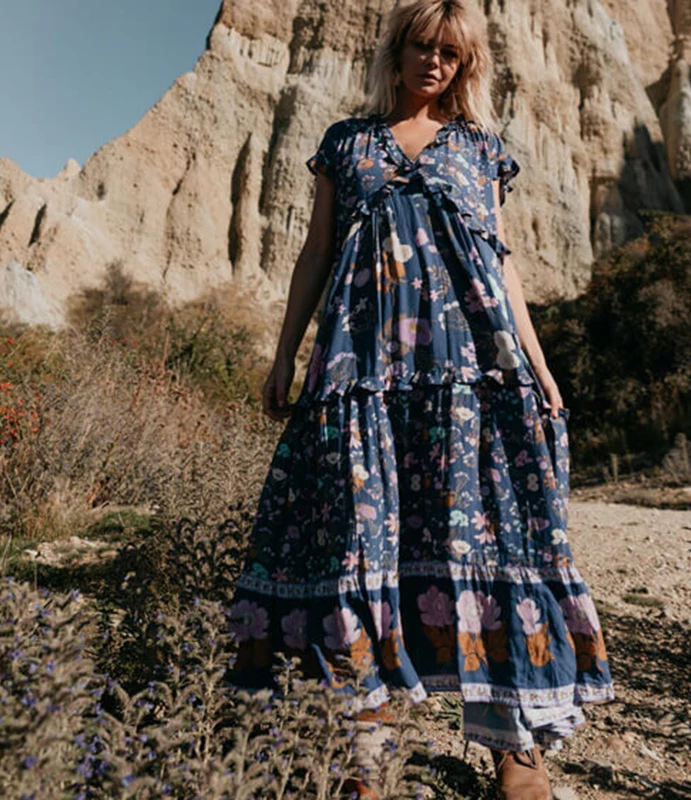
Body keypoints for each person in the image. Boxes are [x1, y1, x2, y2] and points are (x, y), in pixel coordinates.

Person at [224, 0, 615, 797]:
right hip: (361, 368)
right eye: (422, 46)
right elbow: (315, 252)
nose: (435, 61)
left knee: (492, 536)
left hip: (469, 368)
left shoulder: (479, 147)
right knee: (355, 542)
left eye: (450, 53)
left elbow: (500, 263)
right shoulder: (347, 142)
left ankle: (515, 748)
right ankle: (362, 750)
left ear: (464, 65)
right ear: (396, 52)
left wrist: (537, 363)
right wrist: (285, 353)